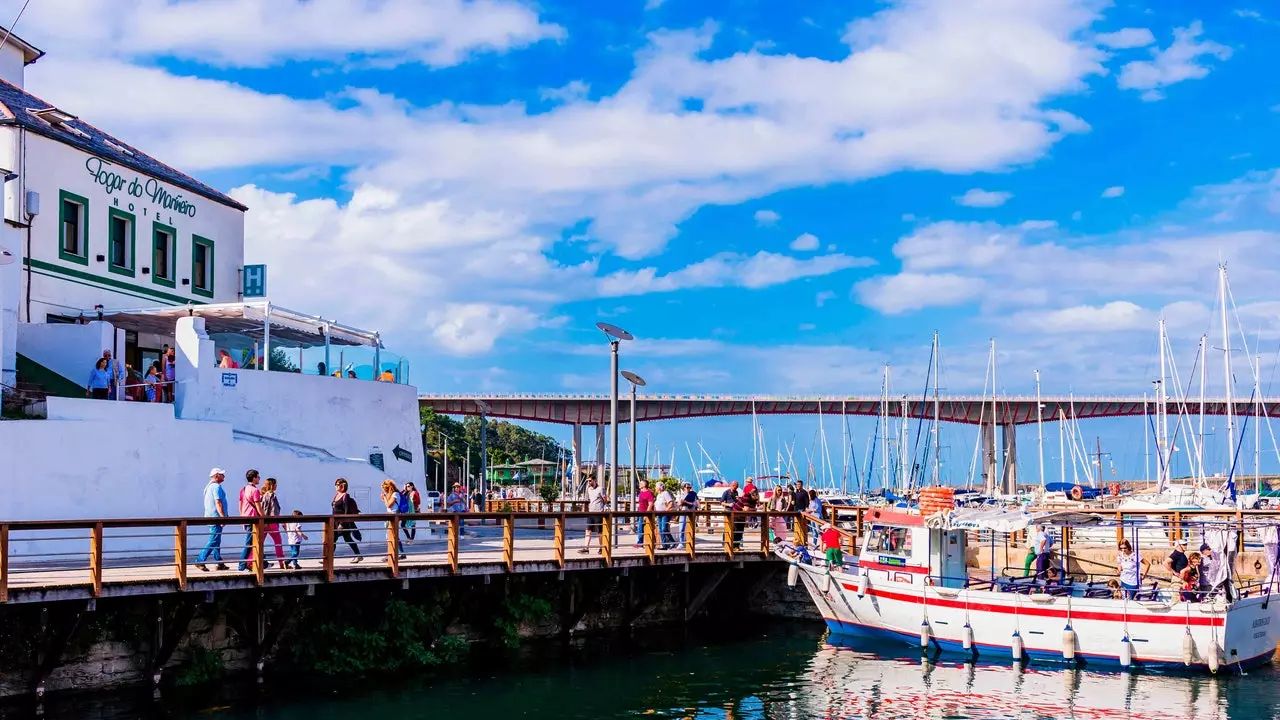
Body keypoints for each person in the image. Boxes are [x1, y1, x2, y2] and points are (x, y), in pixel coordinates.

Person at [195, 468, 230, 571]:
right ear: (216, 476)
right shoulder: (216, 487)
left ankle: (219, 562)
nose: (224, 476)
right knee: (214, 539)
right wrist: (223, 517)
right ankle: (200, 560)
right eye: (221, 474)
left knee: (216, 540)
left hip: (211, 517)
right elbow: (218, 503)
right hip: (216, 518)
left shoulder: (210, 487)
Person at [237, 470, 264, 572]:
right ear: (254, 478)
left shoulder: (243, 489)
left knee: (254, 541)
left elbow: (240, 505)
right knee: (250, 543)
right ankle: (242, 565)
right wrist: (264, 517)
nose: (259, 478)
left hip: (246, 517)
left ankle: (259, 562)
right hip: (254, 518)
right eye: (258, 477)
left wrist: (242, 517)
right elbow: (258, 506)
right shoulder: (255, 490)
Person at [332, 478, 363, 563]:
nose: (336, 486)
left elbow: (346, 510)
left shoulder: (345, 496)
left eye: (337, 484)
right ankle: (358, 555)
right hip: (335, 521)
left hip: (343, 522)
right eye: (335, 484)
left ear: (342, 485)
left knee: (341, 539)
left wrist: (342, 523)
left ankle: (329, 558)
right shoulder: (336, 495)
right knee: (341, 539)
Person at [260, 477, 286, 569]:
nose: (276, 486)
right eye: (275, 484)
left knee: (259, 543)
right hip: (271, 522)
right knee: (278, 542)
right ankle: (282, 563)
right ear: (272, 485)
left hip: (264, 522)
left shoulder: (262, 495)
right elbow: (273, 510)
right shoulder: (272, 495)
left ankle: (252, 562)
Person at [381, 479, 407, 561]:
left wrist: (384, 498)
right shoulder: (394, 494)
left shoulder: (395, 494)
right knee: (394, 536)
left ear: (388, 488)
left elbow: (388, 505)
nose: (384, 491)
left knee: (390, 536)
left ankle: (391, 555)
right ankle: (401, 553)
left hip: (393, 516)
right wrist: (385, 498)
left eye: (385, 489)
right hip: (391, 516)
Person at [580, 477, 608, 554]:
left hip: (599, 513)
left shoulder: (600, 489)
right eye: (588, 481)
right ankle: (586, 548)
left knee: (599, 532)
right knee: (588, 530)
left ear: (594, 480)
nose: (589, 482)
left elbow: (605, 500)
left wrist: (601, 505)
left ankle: (601, 548)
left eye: (590, 480)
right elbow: (589, 500)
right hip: (591, 512)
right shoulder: (589, 489)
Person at [655, 481, 676, 550]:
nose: (655, 488)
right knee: (661, 530)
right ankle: (664, 546)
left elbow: (670, 502)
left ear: (660, 487)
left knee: (664, 529)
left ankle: (672, 541)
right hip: (659, 514)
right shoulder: (658, 495)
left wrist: (666, 510)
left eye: (656, 486)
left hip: (665, 514)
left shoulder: (665, 493)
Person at [634, 480, 655, 547]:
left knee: (647, 528)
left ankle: (648, 543)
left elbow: (650, 504)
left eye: (641, 483)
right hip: (640, 513)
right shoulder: (640, 492)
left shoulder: (649, 493)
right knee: (640, 528)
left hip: (646, 513)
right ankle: (640, 542)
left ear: (644, 485)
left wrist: (646, 514)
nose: (639, 484)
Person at [678, 482, 698, 548]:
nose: (689, 489)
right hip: (683, 511)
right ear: (683, 488)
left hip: (691, 512)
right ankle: (681, 542)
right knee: (681, 527)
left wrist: (686, 502)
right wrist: (681, 503)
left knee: (691, 527)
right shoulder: (681, 495)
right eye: (687, 487)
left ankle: (691, 542)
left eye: (690, 487)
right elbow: (678, 504)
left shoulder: (693, 494)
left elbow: (695, 504)